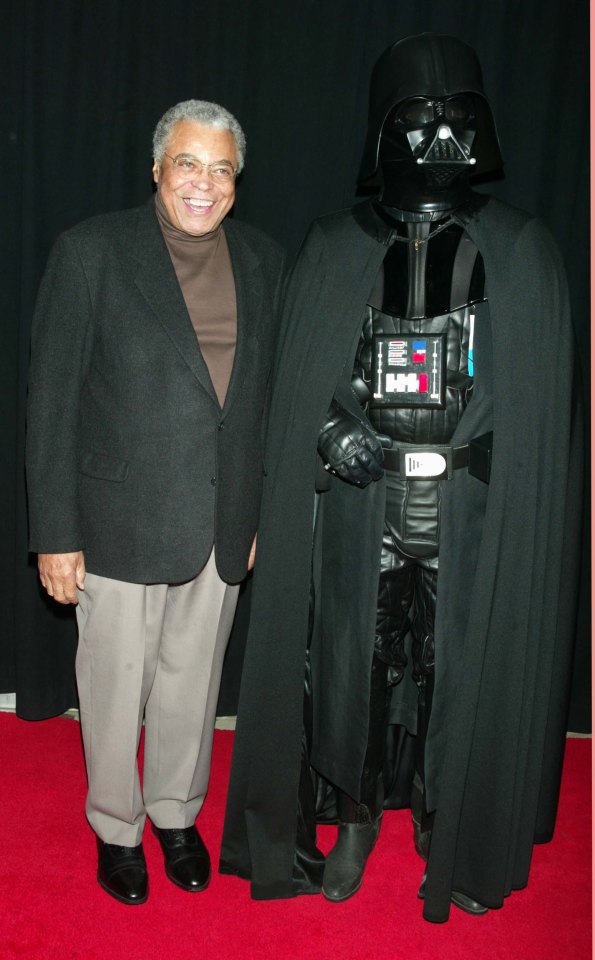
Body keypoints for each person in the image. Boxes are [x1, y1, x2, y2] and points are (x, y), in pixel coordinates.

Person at [220, 35, 581, 922]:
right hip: (360, 506)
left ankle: (443, 814)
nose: (440, 144)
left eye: (458, 123)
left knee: (453, 665)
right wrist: (329, 427)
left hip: (469, 509)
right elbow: (293, 375)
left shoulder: (520, 249)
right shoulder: (334, 245)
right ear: (383, 133)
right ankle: (349, 817)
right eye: (418, 124)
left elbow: (536, 404)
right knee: (352, 667)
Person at [26, 99, 285, 905]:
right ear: (156, 169)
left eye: (220, 169)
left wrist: (253, 513)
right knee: (113, 685)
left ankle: (175, 814)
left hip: (219, 521)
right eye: (187, 164)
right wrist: (54, 535)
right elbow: (51, 403)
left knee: (193, 682)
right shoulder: (91, 253)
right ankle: (116, 826)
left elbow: (265, 402)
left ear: (236, 182)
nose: (202, 184)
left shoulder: (264, 262)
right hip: (115, 521)